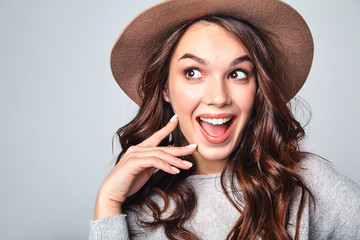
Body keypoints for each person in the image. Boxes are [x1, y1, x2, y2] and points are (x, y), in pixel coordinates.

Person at [89, 0, 360, 239]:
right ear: (164, 88)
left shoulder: (308, 183)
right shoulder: (135, 206)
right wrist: (108, 203)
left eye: (237, 74)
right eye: (193, 72)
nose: (218, 98)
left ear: (258, 88)